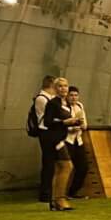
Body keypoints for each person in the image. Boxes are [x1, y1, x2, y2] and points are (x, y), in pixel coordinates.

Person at [40, 77, 78, 211]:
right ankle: (60, 198)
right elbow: (47, 122)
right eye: (60, 86)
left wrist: (74, 122)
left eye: (65, 86)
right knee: (67, 166)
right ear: (55, 89)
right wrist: (64, 122)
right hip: (54, 139)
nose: (63, 89)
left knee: (58, 169)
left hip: (62, 137)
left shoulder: (66, 103)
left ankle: (54, 201)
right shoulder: (52, 103)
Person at [33, 75, 56, 203]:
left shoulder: (50, 98)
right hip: (45, 132)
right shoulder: (42, 98)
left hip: (51, 131)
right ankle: (45, 193)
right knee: (48, 163)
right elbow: (49, 116)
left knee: (52, 163)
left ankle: (52, 191)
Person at [63, 86, 89, 199]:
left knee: (83, 167)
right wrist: (71, 127)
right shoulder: (64, 107)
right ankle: (60, 193)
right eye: (71, 95)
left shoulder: (79, 106)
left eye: (76, 95)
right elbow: (62, 124)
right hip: (67, 140)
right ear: (67, 96)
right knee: (66, 167)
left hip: (78, 140)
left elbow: (85, 124)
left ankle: (72, 192)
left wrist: (83, 126)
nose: (74, 98)